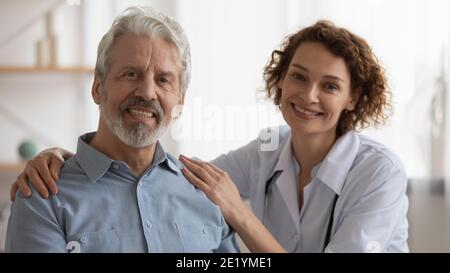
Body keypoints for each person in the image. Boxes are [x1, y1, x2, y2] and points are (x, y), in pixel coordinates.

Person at [11, 20, 409, 253]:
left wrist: (240, 214)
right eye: (299, 77)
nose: (308, 96)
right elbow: (161, 176)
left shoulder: (379, 172)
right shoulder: (261, 156)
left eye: (330, 86)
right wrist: (63, 157)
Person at [5, 7, 238, 253]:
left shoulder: (206, 191)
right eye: (131, 74)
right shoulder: (42, 198)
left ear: (180, 100)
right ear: (98, 87)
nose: (147, 93)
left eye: (163, 80)